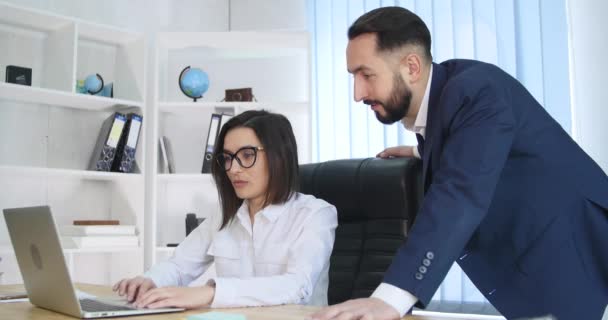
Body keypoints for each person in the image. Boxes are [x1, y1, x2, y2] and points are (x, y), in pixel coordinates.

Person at [311, 6, 608, 320]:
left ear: (411, 67)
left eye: (366, 75)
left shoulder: (476, 90)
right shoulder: (446, 107)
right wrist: (421, 153)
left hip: (577, 260)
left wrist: (391, 299)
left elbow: (460, 193)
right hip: (543, 269)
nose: (358, 93)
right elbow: (479, 149)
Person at [114, 110, 337, 310]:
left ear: (278, 157)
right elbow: (179, 265)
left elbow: (297, 286)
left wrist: (210, 293)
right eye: (228, 158)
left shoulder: (316, 215)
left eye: (247, 156)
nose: (233, 169)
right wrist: (150, 281)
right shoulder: (224, 216)